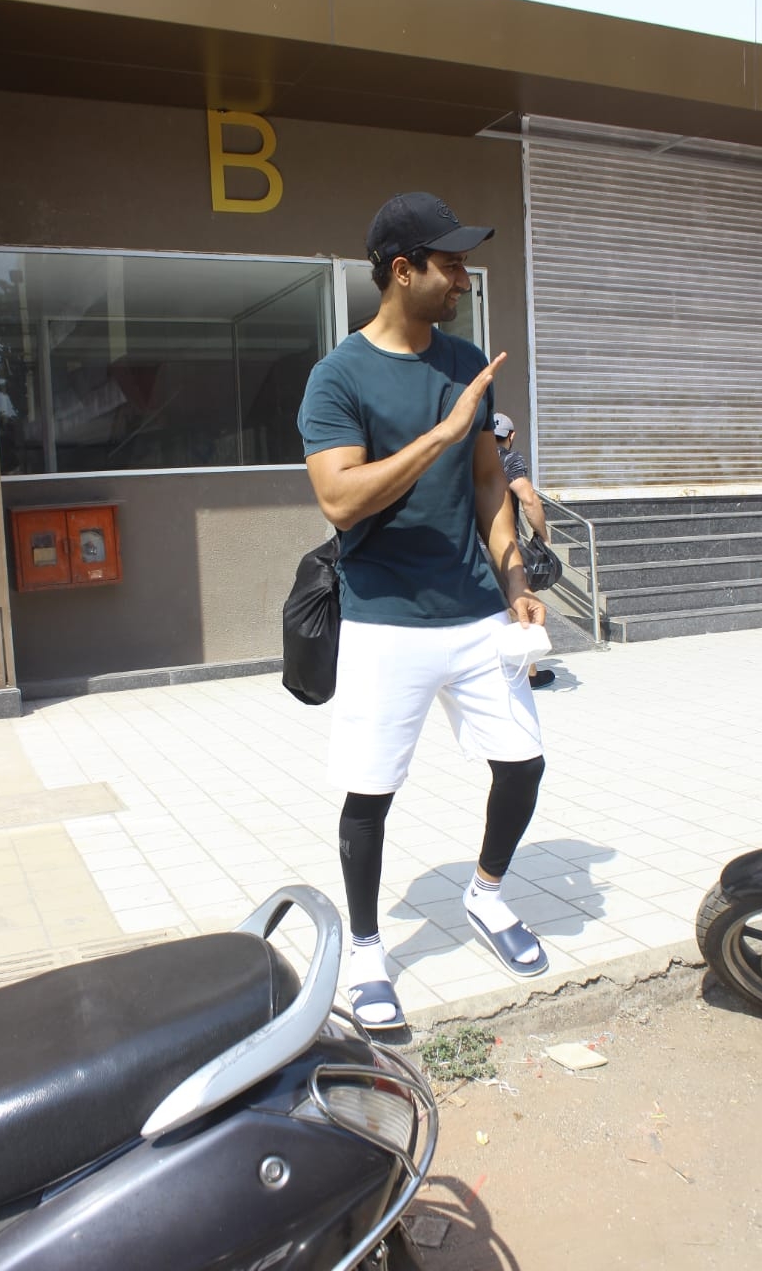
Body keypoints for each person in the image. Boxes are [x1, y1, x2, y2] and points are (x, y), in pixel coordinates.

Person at [298, 191, 549, 1032]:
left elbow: (488, 482)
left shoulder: (463, 356)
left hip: (476, 613)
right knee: (369, 794)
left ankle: (485, 894)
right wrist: (438, 435)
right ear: (400, 272)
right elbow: (339, 501)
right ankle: (367, 949)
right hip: (383, 618)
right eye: (448, 265)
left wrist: (513, 579)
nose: (463, 278)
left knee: (522, 764)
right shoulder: (338, 376)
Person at [492, 412, 555, 690]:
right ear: (512, 436)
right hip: (502, 545)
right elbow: (528, 499)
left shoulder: (467, 458)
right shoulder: (509, 458)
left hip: (468, 547)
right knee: (519, 606)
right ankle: (528, 674)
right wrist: (543, 536)